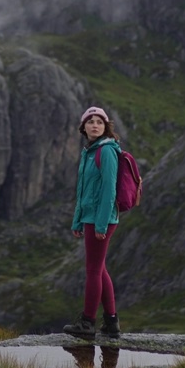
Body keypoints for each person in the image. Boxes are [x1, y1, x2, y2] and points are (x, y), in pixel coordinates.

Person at [63, 106, 121, 340]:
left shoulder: (106, 151)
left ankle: (87, 323)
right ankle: (111, 323)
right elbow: (82, 190)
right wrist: (78, 220)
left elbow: (109, 189)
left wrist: (100, 224)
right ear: (83, 127)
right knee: (100, 269)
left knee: (93, 270)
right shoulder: (89, 152)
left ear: (105, 126)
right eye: (90, 121)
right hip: (90, 218)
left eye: (99, 122)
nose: (95, 125)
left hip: (101, 219)